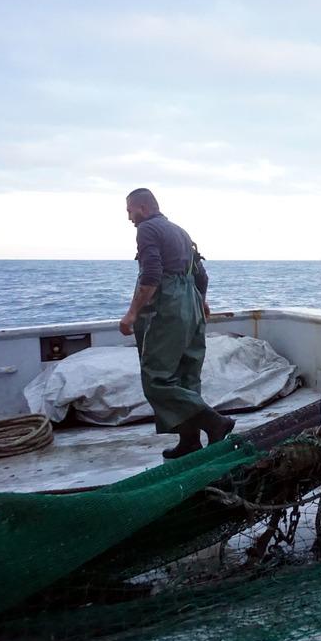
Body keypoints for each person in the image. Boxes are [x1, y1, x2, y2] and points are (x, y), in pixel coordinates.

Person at [119, 188, 234, 459]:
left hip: (168, 305)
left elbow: (151, 274)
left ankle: (215, 422)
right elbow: (201, 275)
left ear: (143, 208)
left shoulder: (147, 229)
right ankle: (190, 441)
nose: (129, 218)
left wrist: (132, 313)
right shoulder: (180, 231)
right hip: (191, 302)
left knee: (157, 378)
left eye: (129, 211)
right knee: (186, 377)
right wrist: (201, 302)